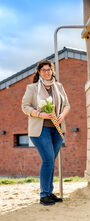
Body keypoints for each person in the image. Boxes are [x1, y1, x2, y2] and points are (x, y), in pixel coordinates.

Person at [21, 59, 70, 206]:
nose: (47, 72)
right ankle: (43, 195)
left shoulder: (59, 86)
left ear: (52, 71)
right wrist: (39, 114)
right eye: (44, 70)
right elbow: (25, 106)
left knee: (51, 161)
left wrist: (62, 115)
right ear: (39, 72)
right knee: (48, 160)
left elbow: (67, 105)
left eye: (49, 69)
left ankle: (49, 192)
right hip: (40, 129)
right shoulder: (32, 88)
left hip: (58, 128)